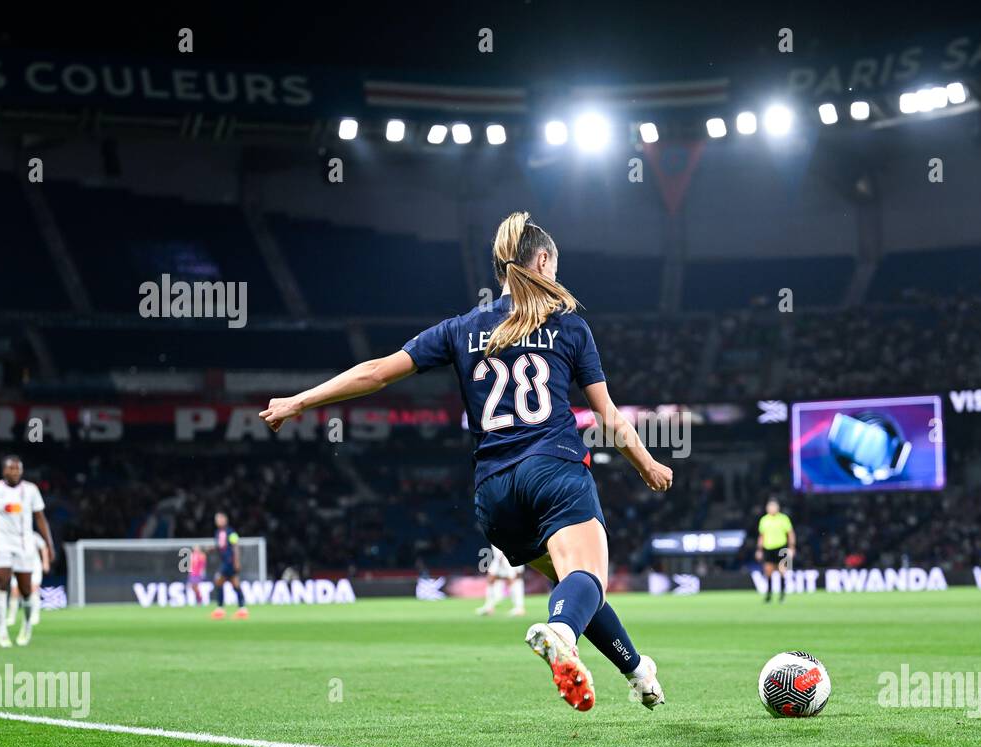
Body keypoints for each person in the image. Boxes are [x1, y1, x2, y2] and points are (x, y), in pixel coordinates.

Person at [259, 211, 672, 712]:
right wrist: (647, 463)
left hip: (494, 495)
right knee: (587, 578)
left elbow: (374, 373)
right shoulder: (569, 327)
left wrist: (299, 402)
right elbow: (607, 417)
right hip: (555, 470)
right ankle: (560, 633)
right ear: (541, 260)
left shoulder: (461, 329)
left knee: (574, 583)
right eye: (555, 267)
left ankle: (637, 671)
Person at [0, 455, 54, 648]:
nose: (15, 472)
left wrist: (49, 545)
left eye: (18, 469)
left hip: (24, 545)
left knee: (26, 590)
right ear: (4, 471)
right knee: (1, 582)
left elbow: (41, 518)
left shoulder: (31, 491)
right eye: (11, 469)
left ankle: (26, 626)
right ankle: (2, 632)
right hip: (0, 543)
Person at [755, 497, 795, 603]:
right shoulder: (764, 519)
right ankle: (769, 594)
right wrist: (759, 549)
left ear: (778, 508)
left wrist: (792, 547)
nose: (771, 508)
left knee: (782, 571)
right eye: (770, 506)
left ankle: (782, 595)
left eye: (773, 506)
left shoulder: (783, 518)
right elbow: (761, 536)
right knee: (768, 571)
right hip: (768, 548)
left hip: (781, 547)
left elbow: (790, 533)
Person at [209, 512, 248, 619]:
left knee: (218, 580)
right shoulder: (217, 532)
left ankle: (220, 609)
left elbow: (236, 546)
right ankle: (242, 609)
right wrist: (212, 549)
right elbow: (221, 546)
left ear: (225, 520)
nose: (218, 521)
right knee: (235, 584)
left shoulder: (231, 532)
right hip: (225, 561)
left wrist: (236, 561)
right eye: (217, 519)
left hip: (229, 562)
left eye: (220, 519)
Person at [6, 536, 49, 630]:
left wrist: (45, 562)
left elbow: (44, 547)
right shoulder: (14, 536)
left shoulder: (34, 536)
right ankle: (11, 617)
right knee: (14, 591)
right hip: (18, 565)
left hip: (34, 566)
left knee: (33, 589)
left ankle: (35, 615)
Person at [476, 545, 526, 616]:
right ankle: (489, 606)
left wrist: (503, 557)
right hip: (501, 557)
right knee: (491, 579)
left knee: (513, 580)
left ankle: (519, 607)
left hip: (507, 556)